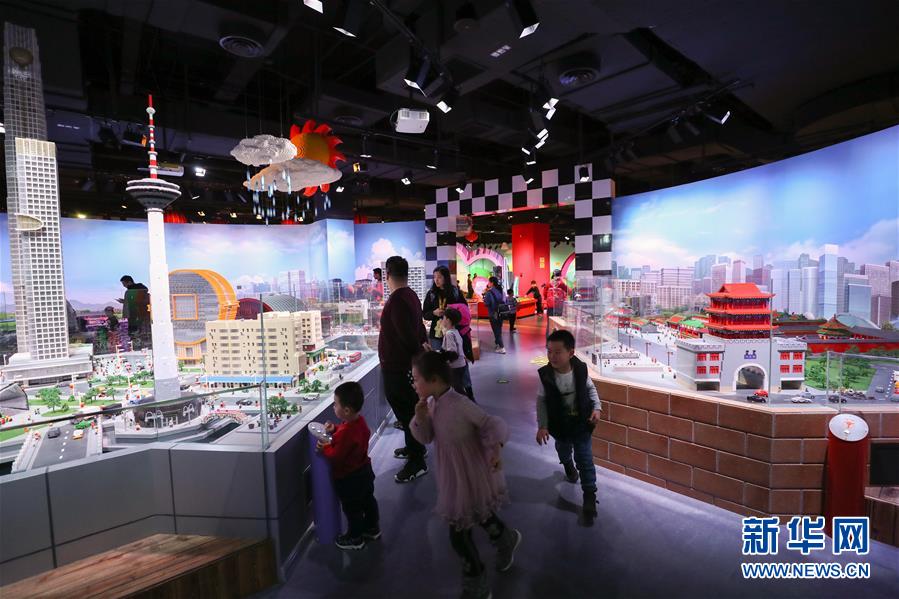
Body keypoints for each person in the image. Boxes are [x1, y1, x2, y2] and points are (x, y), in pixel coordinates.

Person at [410, 351, 521, 599]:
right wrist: (420, 417)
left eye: (416, 379)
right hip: (453, 475)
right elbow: (426, 437)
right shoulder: (431, 405)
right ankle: (506, 539)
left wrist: (496, 450)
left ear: (434, 379)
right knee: (479, 513)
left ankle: (477, 583)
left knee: (459, 535)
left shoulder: (460, 404)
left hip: (472, 471)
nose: (413, 384)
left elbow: (491, 423)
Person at [536, 330, 602, 520]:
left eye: (557, 352)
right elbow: (541, 402)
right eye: (549, 351)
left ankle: (589, 495)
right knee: (563, 449)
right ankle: (567, 464)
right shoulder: (546, 375)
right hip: (560, 426)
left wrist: (597, 408)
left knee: (585, 460)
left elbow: (591, 389)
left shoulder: (580, 370)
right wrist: (543, 425)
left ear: (571, 353)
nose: (552, 356)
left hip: (581, 424)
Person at [378, 256, 429, 483]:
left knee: (406, 411)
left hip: (398, 367)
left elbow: (406, 335)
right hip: (405, 365)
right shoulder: (410, 295)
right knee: (408, 409)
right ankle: (415, 448)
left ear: (387, 274)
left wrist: (417, 350)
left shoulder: (397, 300)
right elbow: (417, 328)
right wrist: (422, 347)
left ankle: (417, 461)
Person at [317, 381, 380, 550]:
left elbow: (336, 456)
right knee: (368, 500)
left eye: (335, 404)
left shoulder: (346, 432)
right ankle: (372, 528)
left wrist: (325, 448)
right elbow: (350, 435)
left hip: (349, 478)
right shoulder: (359, 422)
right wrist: (335, 429)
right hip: (365, 471)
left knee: (352, 509)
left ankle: (355, 538)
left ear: (346, 410)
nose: (333, 406)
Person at [423, 266, 463, 350]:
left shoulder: (455, 292)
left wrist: (450, 312)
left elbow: (463, 310)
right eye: (434, 277)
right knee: (437, 356)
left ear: (446, 278)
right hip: (436, 333)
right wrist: (434, 313)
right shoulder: (431, 293)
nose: (436, 280)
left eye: (439, 277)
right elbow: (425, 314)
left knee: (452, 356)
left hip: (452, 332)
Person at [440, 308, 474, 401]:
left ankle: (467, 404)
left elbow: (453, 353)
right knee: (458, 386)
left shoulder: (449, 334)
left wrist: (441, 357)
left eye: (443, 318)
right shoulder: (455, 331)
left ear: (448, 320)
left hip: (455, 366)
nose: (442, 320)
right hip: (461, 364)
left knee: (457, 389)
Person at [118, 275, 150, 344]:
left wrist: (125, 302)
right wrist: (125, 301)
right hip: (141, 314)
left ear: (129, 282)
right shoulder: (142, 290)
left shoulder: (131, 291)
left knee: (134, 332)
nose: (124, 286)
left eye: (124, 284)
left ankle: (137, 344)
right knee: (141, 332)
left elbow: (135, 302)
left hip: (134, 315)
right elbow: (136, 301)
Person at [483, 277, 506, 354]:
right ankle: (497, 344)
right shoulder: (501, 290)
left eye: (489, 282)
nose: (488, 283)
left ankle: (502, 347)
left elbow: (486, 303)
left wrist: (484, 297)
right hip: (501, 313)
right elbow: (504, 300)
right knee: (499, 330)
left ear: (492, 283)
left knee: (496, 331)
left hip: (493, 314)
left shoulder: (489, 292)